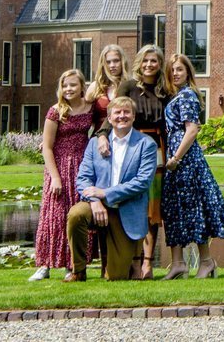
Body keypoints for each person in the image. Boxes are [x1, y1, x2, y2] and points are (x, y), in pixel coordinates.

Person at [97, 44, 173, 279]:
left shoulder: (164, 90)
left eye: (154, 61)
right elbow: (115, 112)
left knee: (152, 209)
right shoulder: (129, 86)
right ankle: (133, 261)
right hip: (130, 147)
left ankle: (148, 264)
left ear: (160, 64)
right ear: (140, 62)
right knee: (133, 203)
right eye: (146, 60)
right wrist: (102, 135)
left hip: (157, 148)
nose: (150, 65)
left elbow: (169, 126)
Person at [65, 96, 157, 281]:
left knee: (115, 277)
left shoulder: (146, 144)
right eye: (117, 112)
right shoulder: (95, 144)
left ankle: (125, 265)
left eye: (126, 112)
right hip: (96, 206)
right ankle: (78, 270)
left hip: (126, 210)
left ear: (133, 116)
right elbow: (83, 179)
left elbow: (142, 182)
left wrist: (105, 193)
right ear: (109, 117)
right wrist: (95, 200)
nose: (122, 116)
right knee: (76, 214)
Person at [161, 53, 224, 279]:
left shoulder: (187, 96)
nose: (175, 73)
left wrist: (176, 158)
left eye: (180, 69)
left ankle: (206, 261)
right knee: (175, 209)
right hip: (177, 159)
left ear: (188, 72)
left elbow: (192, 129)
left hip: (186, 160)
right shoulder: (176, 96)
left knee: (194, 208)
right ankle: (178, 263)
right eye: (172, 70)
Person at [29, 69, 95, 281]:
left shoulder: (89, 108)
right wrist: (55, 177)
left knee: (75, 217)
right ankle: (44, 265)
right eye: (65, 85)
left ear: (82, 86)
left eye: (73, 85)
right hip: (58, 167)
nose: (69, 89)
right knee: (53, 216)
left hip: (82, 167)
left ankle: (73, 264)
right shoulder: (56, 111)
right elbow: (47, 147)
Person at [86, 44, 127, 129]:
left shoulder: (129, 85)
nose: (112, 65)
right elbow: (83, 115)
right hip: (99, 137)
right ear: (103, 64)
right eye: (108, 62)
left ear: (122, 62)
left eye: (116, 61)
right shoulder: (95, 87)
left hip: (124, 137)